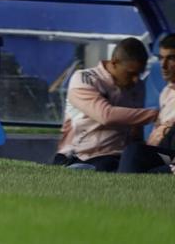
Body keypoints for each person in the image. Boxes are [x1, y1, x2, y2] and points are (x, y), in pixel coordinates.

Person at [53, 38, 157, 172]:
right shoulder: (84, 79)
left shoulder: (138, 86)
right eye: (130, 73)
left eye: (139, 73)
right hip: (80, 156)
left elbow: (136, 130)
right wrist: (155, 115)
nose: (136, 79)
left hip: (118, 157)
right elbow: (105, 115)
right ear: (114, 62)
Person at [117, 34, 175, 173]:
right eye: (161, 58)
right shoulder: (166, 92)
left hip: (169, 155)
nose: (163, 65)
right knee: (128, 155)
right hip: (162, 153)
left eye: (171, 58)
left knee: (135, 152)